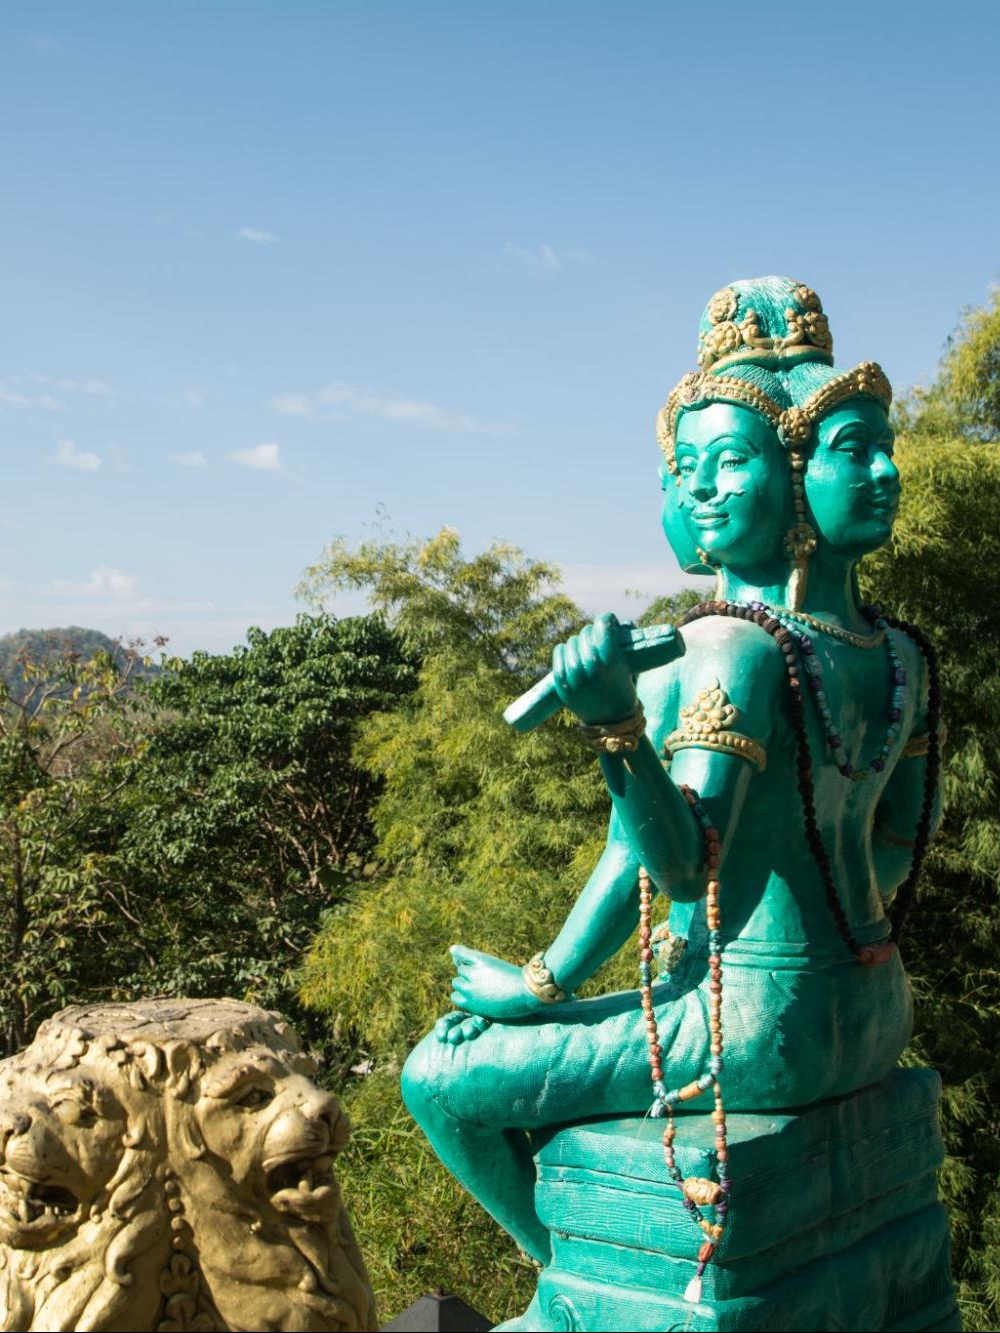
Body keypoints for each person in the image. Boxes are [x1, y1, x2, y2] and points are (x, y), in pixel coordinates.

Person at [399, 277, 943, 1274]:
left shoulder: (730, 649)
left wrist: (612, 724)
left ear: (787, 476)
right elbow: (901, 841)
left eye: (723, 462)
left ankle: (562, 1279)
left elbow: (681, 864)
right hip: (874, 1011)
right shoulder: (900, 654)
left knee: (437, 1075)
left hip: (753, 1026)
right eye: (683, 467)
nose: (695, 490)